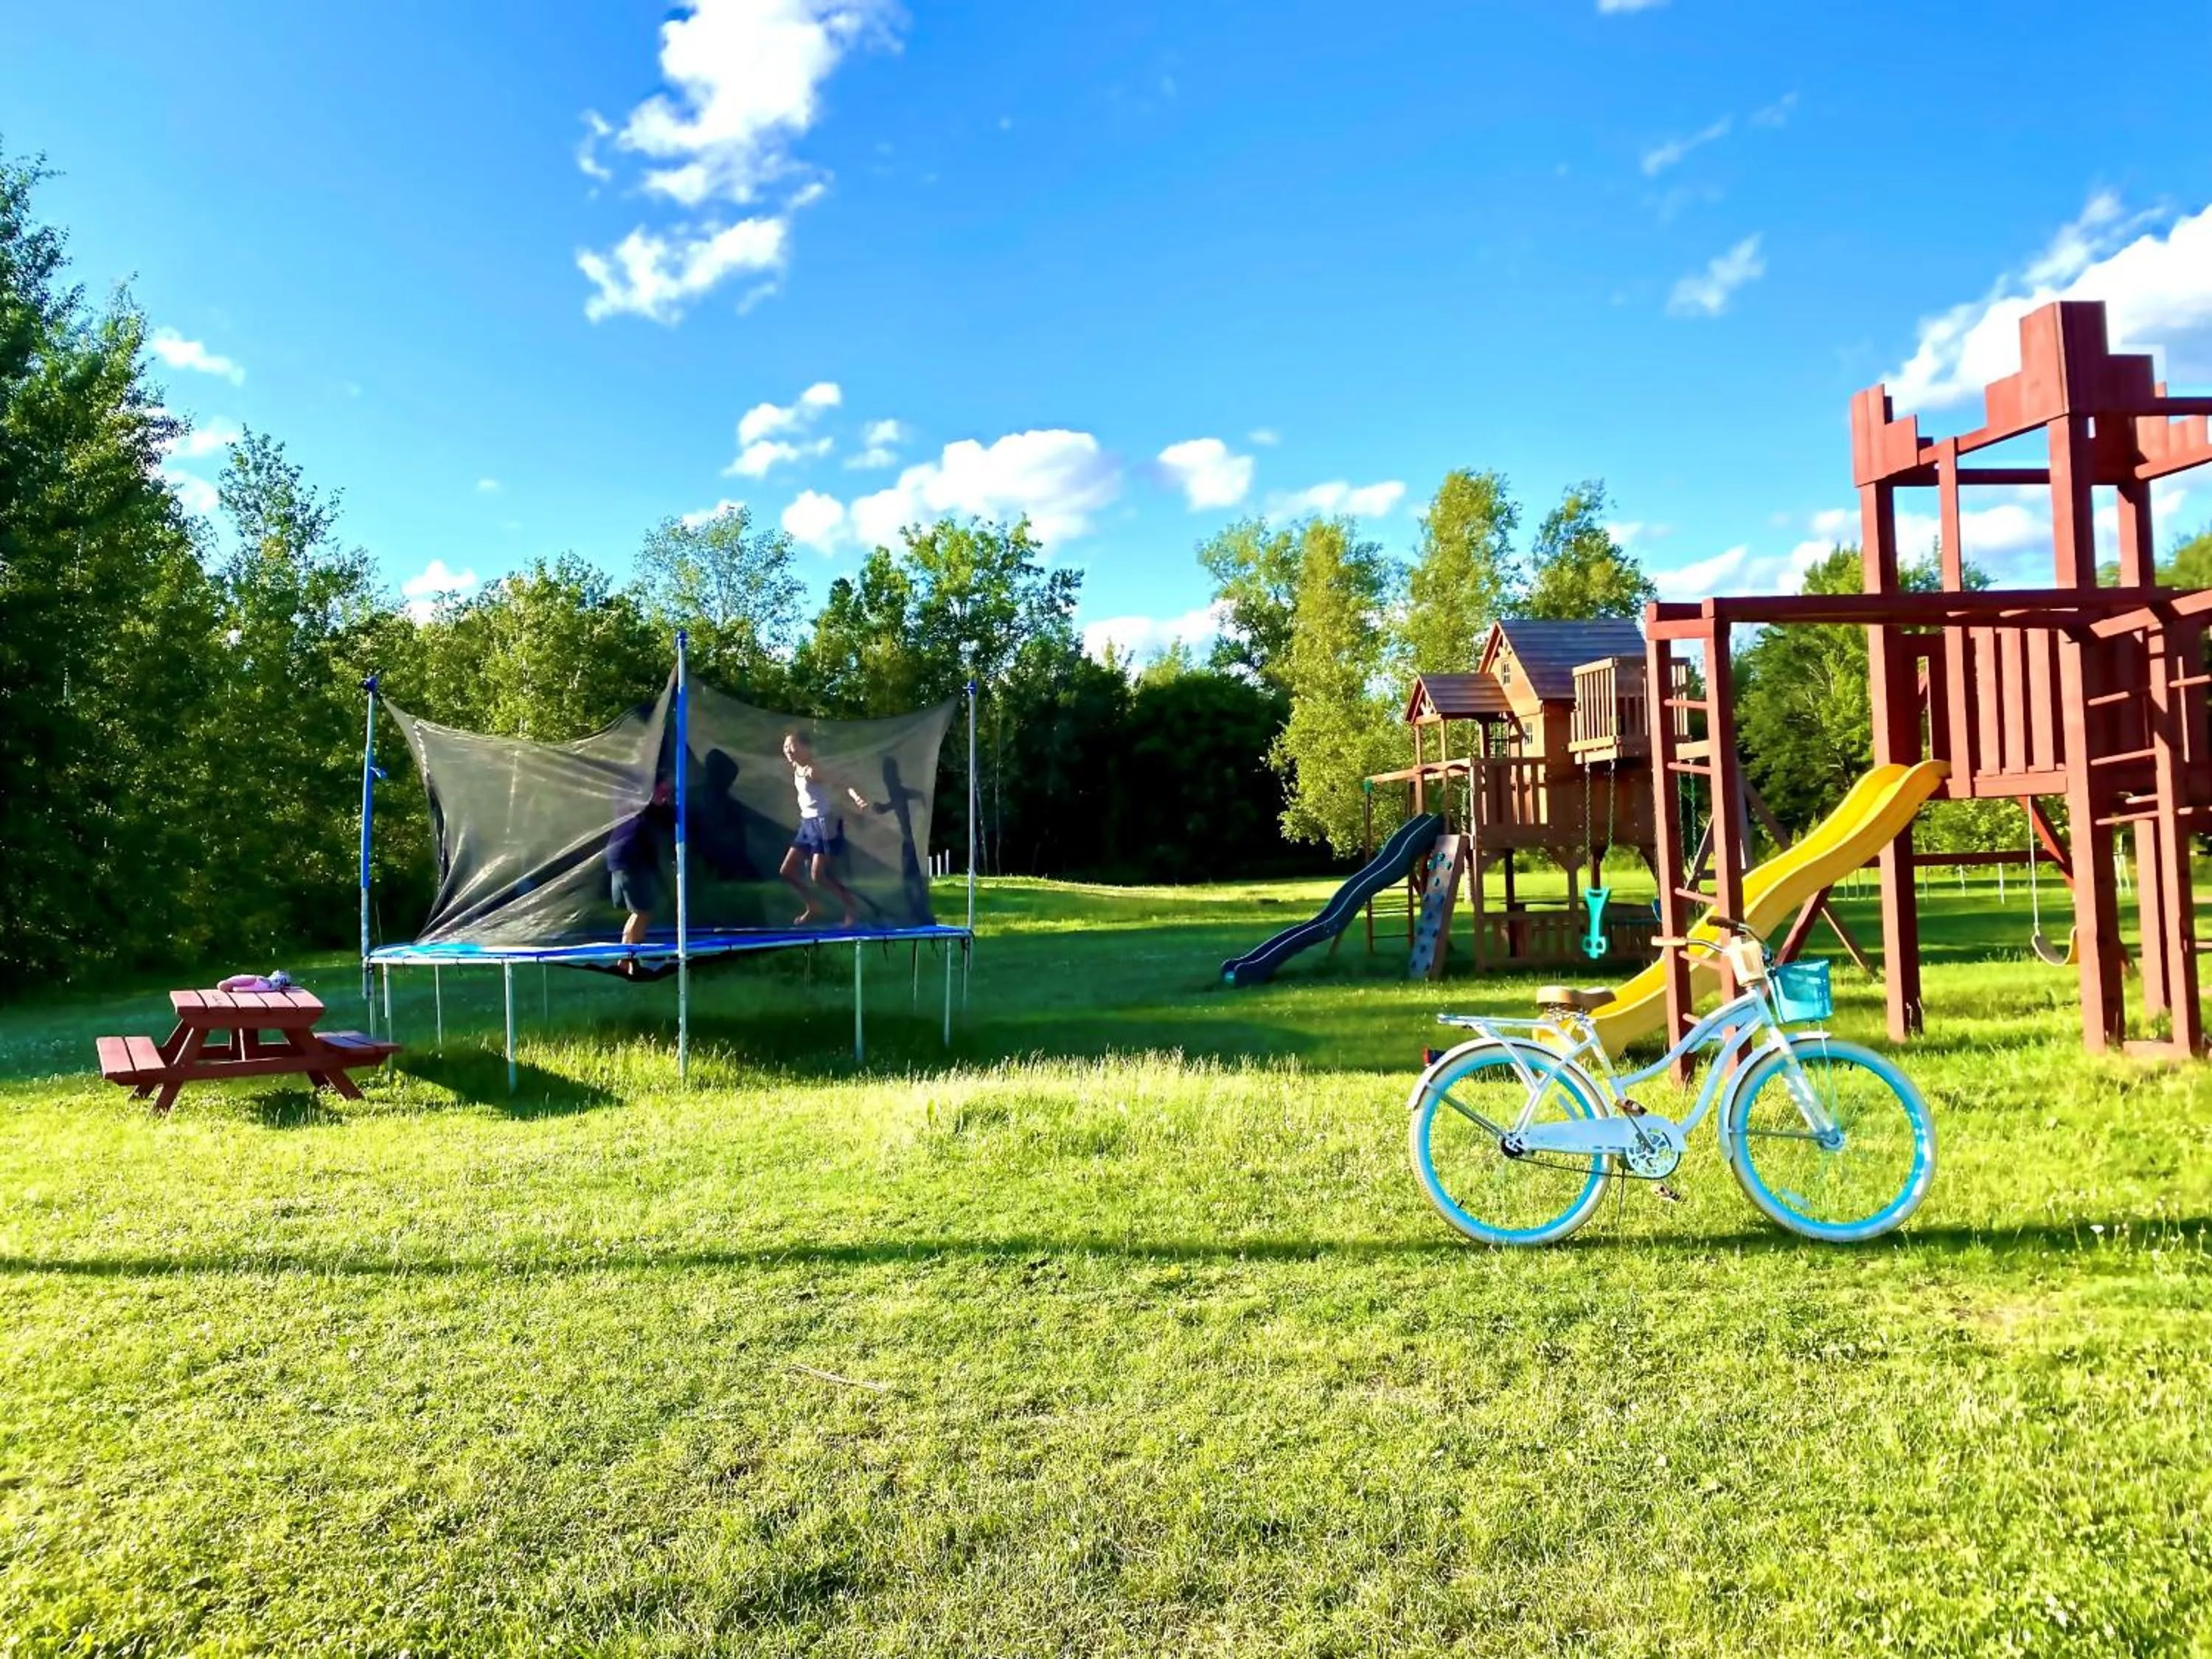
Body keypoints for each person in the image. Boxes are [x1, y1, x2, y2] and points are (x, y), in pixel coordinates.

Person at [779, 731, 871, 926]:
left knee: (818, 876)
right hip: (807, 825)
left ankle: (852, 910)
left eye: (792, 746)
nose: (787, 750)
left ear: (805, 748)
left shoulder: (814, 770)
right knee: (787, 870)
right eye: (785, 746)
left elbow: (843, 782)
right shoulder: (797, 767)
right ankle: (813, 906)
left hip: (823, 824)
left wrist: (857, 798)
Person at [608, 778, 675, 951]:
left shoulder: (636, 807)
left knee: (639, 912)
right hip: (630, 861)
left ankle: (627, 956)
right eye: (662, 791)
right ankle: (628, 958)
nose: (665, 795)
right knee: (643, 913)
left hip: (621, 859)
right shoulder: (644, 809)